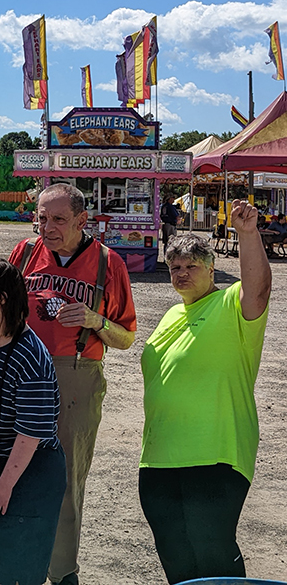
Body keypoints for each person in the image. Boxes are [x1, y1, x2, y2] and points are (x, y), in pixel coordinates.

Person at [8, 182, 137, 585]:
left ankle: (62, 570)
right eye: (41, 218)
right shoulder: (25, 254)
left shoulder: (106, 263)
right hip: (22, 370)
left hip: (77, 373)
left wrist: (94, 321)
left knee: (65, 477)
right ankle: (5, 565)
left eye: (59, 220)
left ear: (83, 220)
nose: (47, 227)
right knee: (9, 470)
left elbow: (127, 337)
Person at [139, 201, 271, 584]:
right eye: (174, 267)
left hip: (215, 454)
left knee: (211, 550)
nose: (181, 273)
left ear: (212, 268)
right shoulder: (170, 314)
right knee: (176, 555)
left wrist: (248, 235)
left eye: (191, 265)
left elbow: (259, 288)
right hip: (159, 460)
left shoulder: (231, 303)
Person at [0, 257, 65, 585]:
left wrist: (4, 486)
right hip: (0, 470)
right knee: (1, 562)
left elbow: (30, 434)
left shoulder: (29, 355)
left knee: (19, 571)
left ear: (2, 298)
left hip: (26, 477)